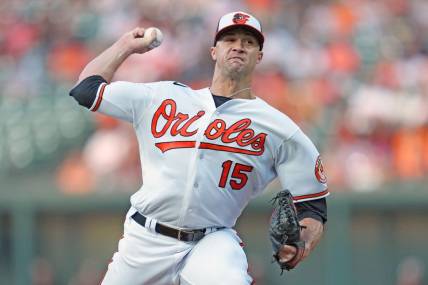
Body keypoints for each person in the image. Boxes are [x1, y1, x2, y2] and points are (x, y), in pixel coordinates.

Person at [69, 11, 329, 285]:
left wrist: (300, 245)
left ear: (259, 56)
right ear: (214, 51)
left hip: (212, 240)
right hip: (145, 239)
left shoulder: (279, 128)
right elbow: (86, 90)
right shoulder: (163, 96)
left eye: (249, 42)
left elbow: (313, 206)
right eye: (229, 39)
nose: (239, 46)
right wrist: (124, 46)